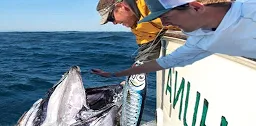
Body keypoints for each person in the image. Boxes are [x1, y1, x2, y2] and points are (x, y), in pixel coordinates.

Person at [91, 0, 256, 78]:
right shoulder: (140, 27)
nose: (115, 23)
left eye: (112, 18)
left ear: (121, 6)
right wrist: (125, 75)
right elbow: (156, 56)